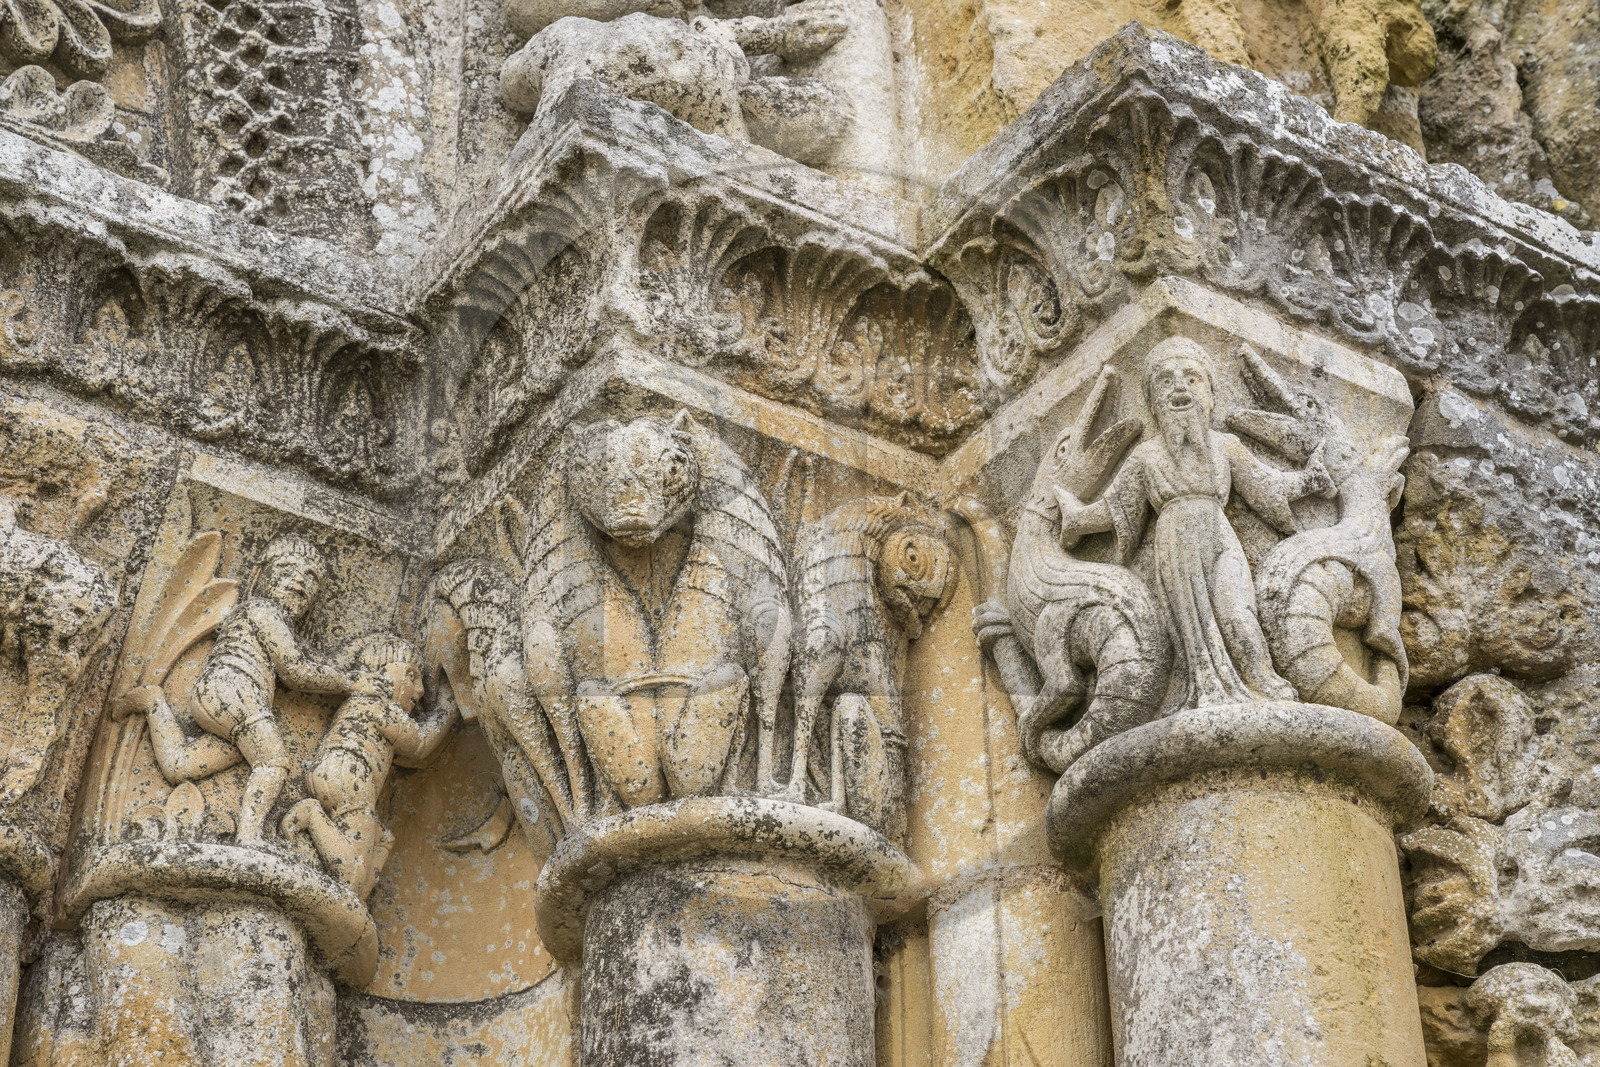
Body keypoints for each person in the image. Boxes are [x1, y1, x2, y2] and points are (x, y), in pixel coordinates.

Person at [1053, 338, 1335, 709]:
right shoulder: (1146, 455)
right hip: (1176, 545)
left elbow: (1265, 486)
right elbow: (1116, 507)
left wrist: (1309, 480)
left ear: (1212, 397)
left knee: (1238, 610)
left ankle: (1261, 676)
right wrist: (1076, 519)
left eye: (1191, 378)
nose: (1180, 387)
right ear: (1152, 404)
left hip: (1220, 536)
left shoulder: (1226, 445)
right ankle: (1204, 687)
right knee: (1192, 628)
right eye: (1166, 382)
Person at [115, 535, 353, 844]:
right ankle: (250, 836)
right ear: (259, 575)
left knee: (180, 765)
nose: (299, 581)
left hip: (223, 702)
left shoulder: (266, 617)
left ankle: (152, 702)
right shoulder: (264, 610)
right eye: (287, 568)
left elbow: (304, 657)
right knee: (272, 762)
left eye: (311, 578)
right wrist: (348, 682)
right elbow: (296, 670)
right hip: (234, 690)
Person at [283, 634, 455, 897]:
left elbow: (406, 756)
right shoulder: (378, 705)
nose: (419, 691)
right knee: (351, 877)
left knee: (381, 840)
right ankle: (311, 815)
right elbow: (420, 744)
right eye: (410, 675)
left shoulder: (360, 705)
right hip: (352, 778)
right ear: (381, 673)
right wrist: (448, 707)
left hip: (333, 773)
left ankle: (353, 896)